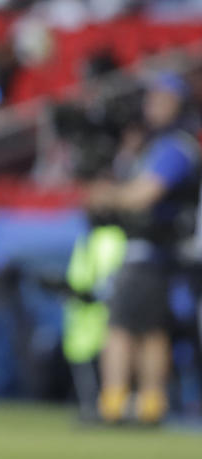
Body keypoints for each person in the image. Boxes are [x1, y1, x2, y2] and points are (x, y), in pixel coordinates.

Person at [87, 72, 201, 424]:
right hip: (163, 252)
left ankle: (115, 402)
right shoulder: (157, 145)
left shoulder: (173, 147)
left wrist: (109, 196)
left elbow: (145, 194)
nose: (153, 107)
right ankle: (150, 403)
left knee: (123, 328)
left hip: (154, 250)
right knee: (151, 329)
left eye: (162, 100)